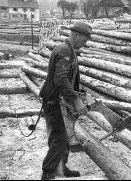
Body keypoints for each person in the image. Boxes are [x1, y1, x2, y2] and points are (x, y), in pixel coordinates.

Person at [39, 21, 92, 180]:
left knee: (66, 136)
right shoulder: (64, 51)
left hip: (61, 100)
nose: (85, 43)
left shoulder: (70, 50)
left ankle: (61, 168)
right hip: (54, 101)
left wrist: (79, 92)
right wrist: (76, 100)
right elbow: (61, 80)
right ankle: (48, 174)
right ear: (76, 35)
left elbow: (69, 78)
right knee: (59, 139)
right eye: (84, 40)